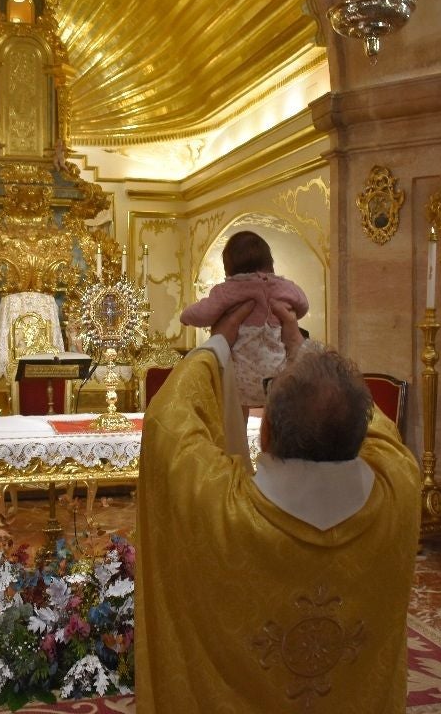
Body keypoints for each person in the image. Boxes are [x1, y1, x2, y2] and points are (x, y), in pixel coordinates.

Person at [136, 300, 421, 713]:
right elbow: (366, 420)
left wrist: (219, 342)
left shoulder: (220, 507)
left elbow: (169, 424)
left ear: (266, 432)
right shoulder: (400, 489)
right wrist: (302, 349)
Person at [179, 231, 310, 413]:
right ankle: (272, 437)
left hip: (241, 377)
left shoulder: (229, 290)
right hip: (276, 376)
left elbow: (204, 313)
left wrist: (185, 316)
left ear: (228, 268)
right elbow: (303, 304)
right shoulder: (283, 287)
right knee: (277, 413)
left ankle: (239, 441)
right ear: (270, 263)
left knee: (235, 414)